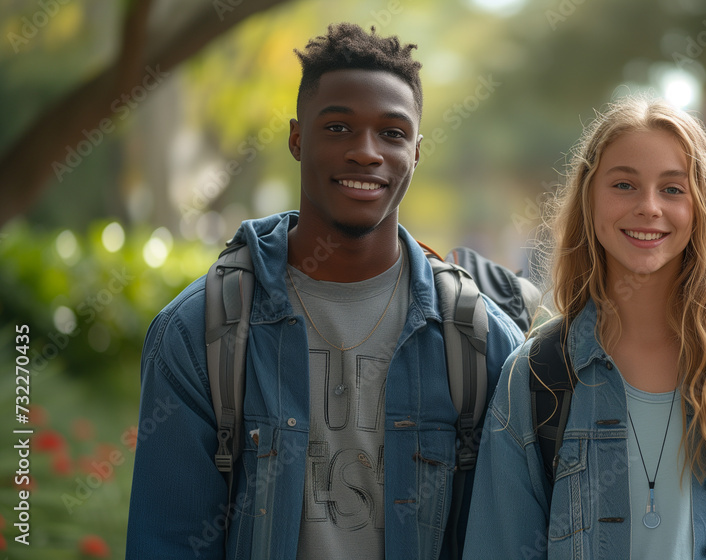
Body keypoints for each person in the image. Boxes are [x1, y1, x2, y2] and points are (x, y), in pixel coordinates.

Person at [125, 24, 523, 559]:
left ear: (417, 152)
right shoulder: (199, 332)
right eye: (338, 127)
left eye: (392, 133)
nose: (366, 152)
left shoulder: (480, 342)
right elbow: (168, 542)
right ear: (296, 138)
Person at [463, 96, 706, 559]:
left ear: (701, 205)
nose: (649, 207)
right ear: (589, 199)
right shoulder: (534, 378)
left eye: (672, 189)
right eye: (624, 184)